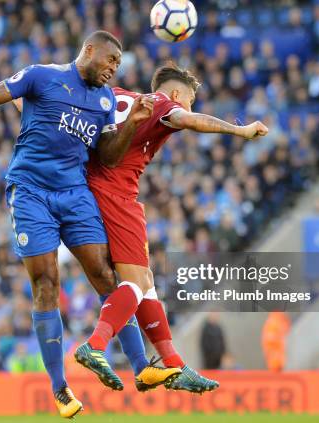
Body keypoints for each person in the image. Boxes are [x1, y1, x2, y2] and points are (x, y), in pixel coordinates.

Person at [0, 31, 160, 418]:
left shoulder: (103, 101)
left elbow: (109, 156)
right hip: (31, 192)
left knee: (105, 275)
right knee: (46, 281)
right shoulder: (41, 76)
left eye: (118, 64)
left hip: (75, 193)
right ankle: (60, 388)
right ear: (89, 50)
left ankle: (141, 366)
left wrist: (131, 123)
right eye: (111, 59)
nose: (114, 68)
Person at [75, 64, 267, 391]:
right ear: (177, 93)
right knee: (135, 284)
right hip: (116, 194)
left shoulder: (118, 94)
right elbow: (188, 120)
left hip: (84, 188)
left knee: (145, 281)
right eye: (189, 100)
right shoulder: (164, 104)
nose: (187, 106)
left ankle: (175, 365)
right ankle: (95, 344)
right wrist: (239, 131)